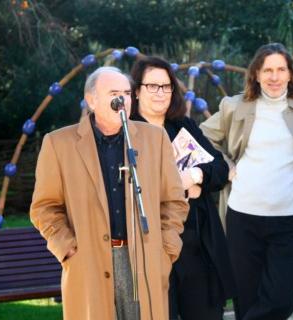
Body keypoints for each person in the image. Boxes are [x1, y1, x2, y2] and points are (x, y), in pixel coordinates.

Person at [30, 66, 189, 320]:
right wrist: (68, 249)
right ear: (91, 100)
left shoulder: (155, 138)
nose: (122, 99)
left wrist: (166, 250)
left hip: (144, 258)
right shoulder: (58, 144)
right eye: (114, 93)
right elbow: (44, 208)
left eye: (126, 93)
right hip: (88, 260)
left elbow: (174, 201)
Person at [200, 43, 293, 320]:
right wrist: (225, 163)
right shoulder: (235, 106)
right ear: (255, 74)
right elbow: (202, 136)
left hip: (291, 217)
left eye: (281, 69)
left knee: (280, 298)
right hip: (242, 216)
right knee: (246, 297)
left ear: (291, 73)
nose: (274, 77)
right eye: (268, 70)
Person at [129, 56, 235, 320]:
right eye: (152, 86)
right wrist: (182, 188)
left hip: (197, 246)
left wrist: (195, 175)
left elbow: (220, 169)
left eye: (166, 86)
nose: (160, 93)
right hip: (152, 247)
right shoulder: (126, 133)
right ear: (137, 91)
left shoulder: (182, 126)